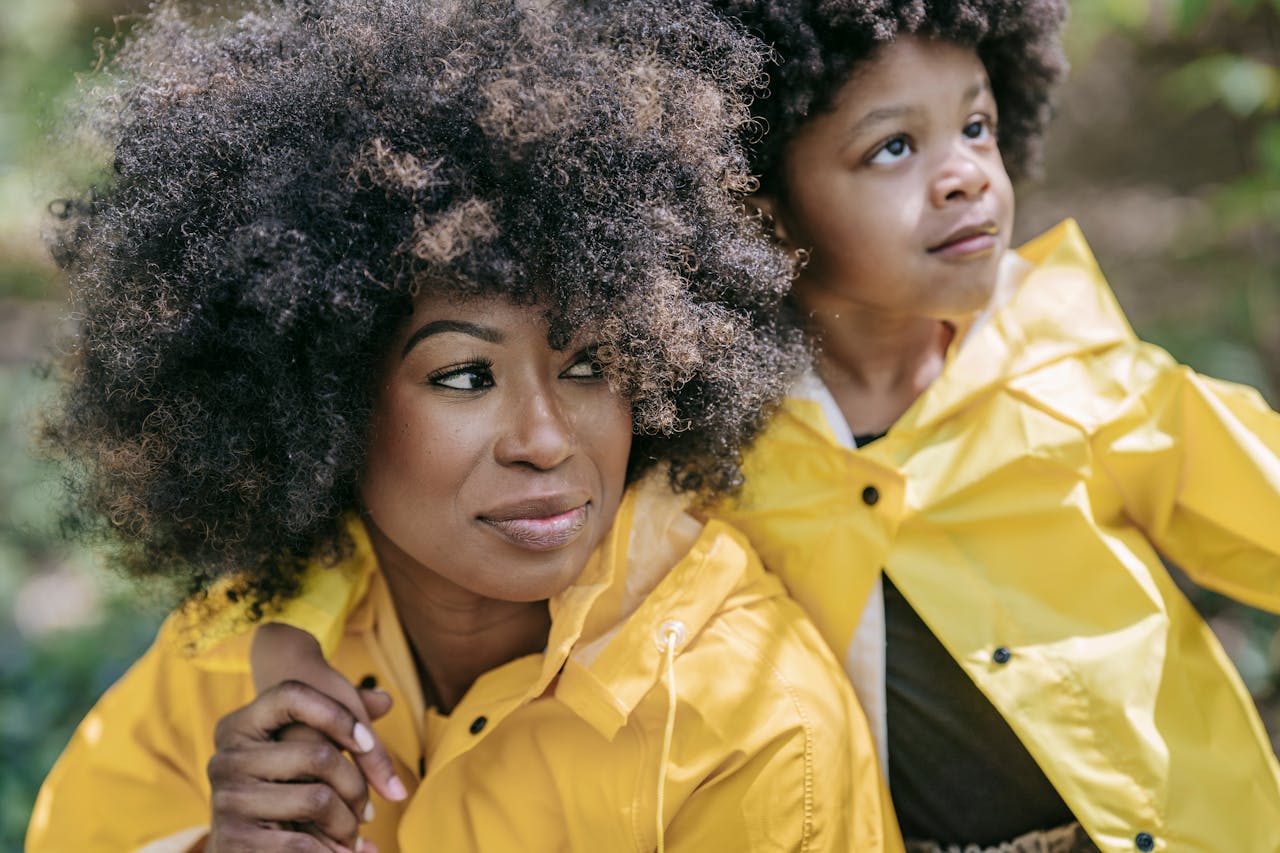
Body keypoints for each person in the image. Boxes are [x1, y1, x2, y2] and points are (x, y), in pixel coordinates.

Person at [23, 1, 902, 851]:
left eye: (590, 364)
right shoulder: (229, 659)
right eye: (466, 375)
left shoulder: (751, 722)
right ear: (318, 397)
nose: (548, 438)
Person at [699, 1, 1280, 851]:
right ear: (763, 206)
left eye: (977, 126)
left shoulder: (1077, 373)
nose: (966, 174)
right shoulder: (708, 454)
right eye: (893, 146)